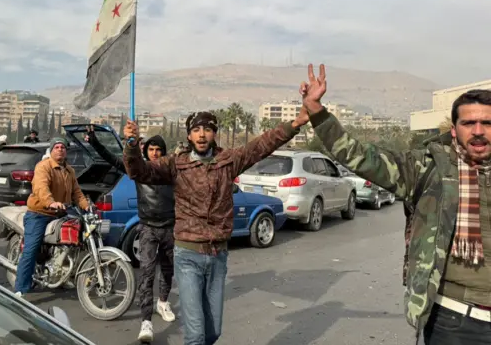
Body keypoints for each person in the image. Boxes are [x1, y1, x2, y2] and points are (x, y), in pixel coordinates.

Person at [299, 63, 491, 345]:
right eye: (468, 123)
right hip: (454, 320)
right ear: (454, 130)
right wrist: (318, 113)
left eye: (487, 123)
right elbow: (362, 157)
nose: (478, 131)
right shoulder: (426, 169)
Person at [122, 109, 308, 345]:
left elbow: (262, 145)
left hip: (217, 256)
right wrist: (130, 144)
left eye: (207, 130)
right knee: (196, 336)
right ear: (189, 136)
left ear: (214, 134)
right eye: (196, 130)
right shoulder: (177, 164)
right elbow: (138, 171)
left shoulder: (228, 161)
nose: (201, 135)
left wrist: (296, 123)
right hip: (187, 255)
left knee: (213, 333)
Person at [84, 125, 176, 343]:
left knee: (168, 270)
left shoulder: (171, 171)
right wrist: (95, 142)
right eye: (151, 149)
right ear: (146, 152)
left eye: (158, 149)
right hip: (147, 229)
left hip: (170, 228)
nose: (155, 153)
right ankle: (146, 321)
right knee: (146, 274)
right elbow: (114, 160)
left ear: (163, 152)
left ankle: (162, 302)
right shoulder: (139, 170)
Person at [14, 138, 89, 297]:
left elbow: (76, 192)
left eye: (63, 147)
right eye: (57, 147)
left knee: (76, 240)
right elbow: (41, 187)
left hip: (61, 213)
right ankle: (20, 289)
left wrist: (86, 205)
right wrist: (51, 202)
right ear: (51, 150)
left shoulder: (69, 170)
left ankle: (64, 273)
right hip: (40, 213)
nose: (60, 149)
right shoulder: (43, 166)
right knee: (31, 249)